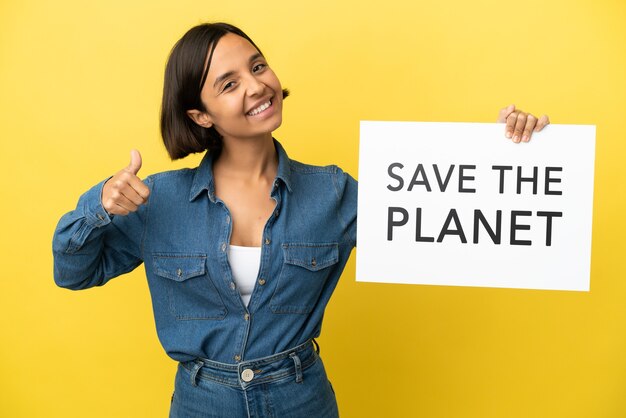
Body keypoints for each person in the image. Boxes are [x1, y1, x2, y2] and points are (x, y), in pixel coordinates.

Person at [52, 22, 549, 418]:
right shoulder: (157, 200)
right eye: (229, 84)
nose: (257, 86)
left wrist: (513, 152)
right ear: (201, 116)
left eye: (258, 66)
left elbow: (450, 222)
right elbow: (72, 273)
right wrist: (99, 205)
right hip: (202, 404)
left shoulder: (333, 192)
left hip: (300, 399)